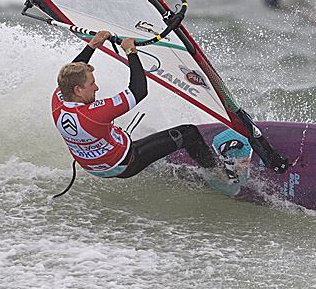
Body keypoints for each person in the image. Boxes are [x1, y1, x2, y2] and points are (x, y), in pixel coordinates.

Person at [52, 30, 224, 179]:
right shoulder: (94, 114)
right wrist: (131, 51)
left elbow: (70, 74)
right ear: (78, 90)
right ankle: (217, 173)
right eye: (91, 84)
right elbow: (138, 91)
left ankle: (153, 155)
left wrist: (92, 45)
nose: (96, 87)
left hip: (92, 166)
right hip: (123, 164)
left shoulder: (59, 100)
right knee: (188, 133)